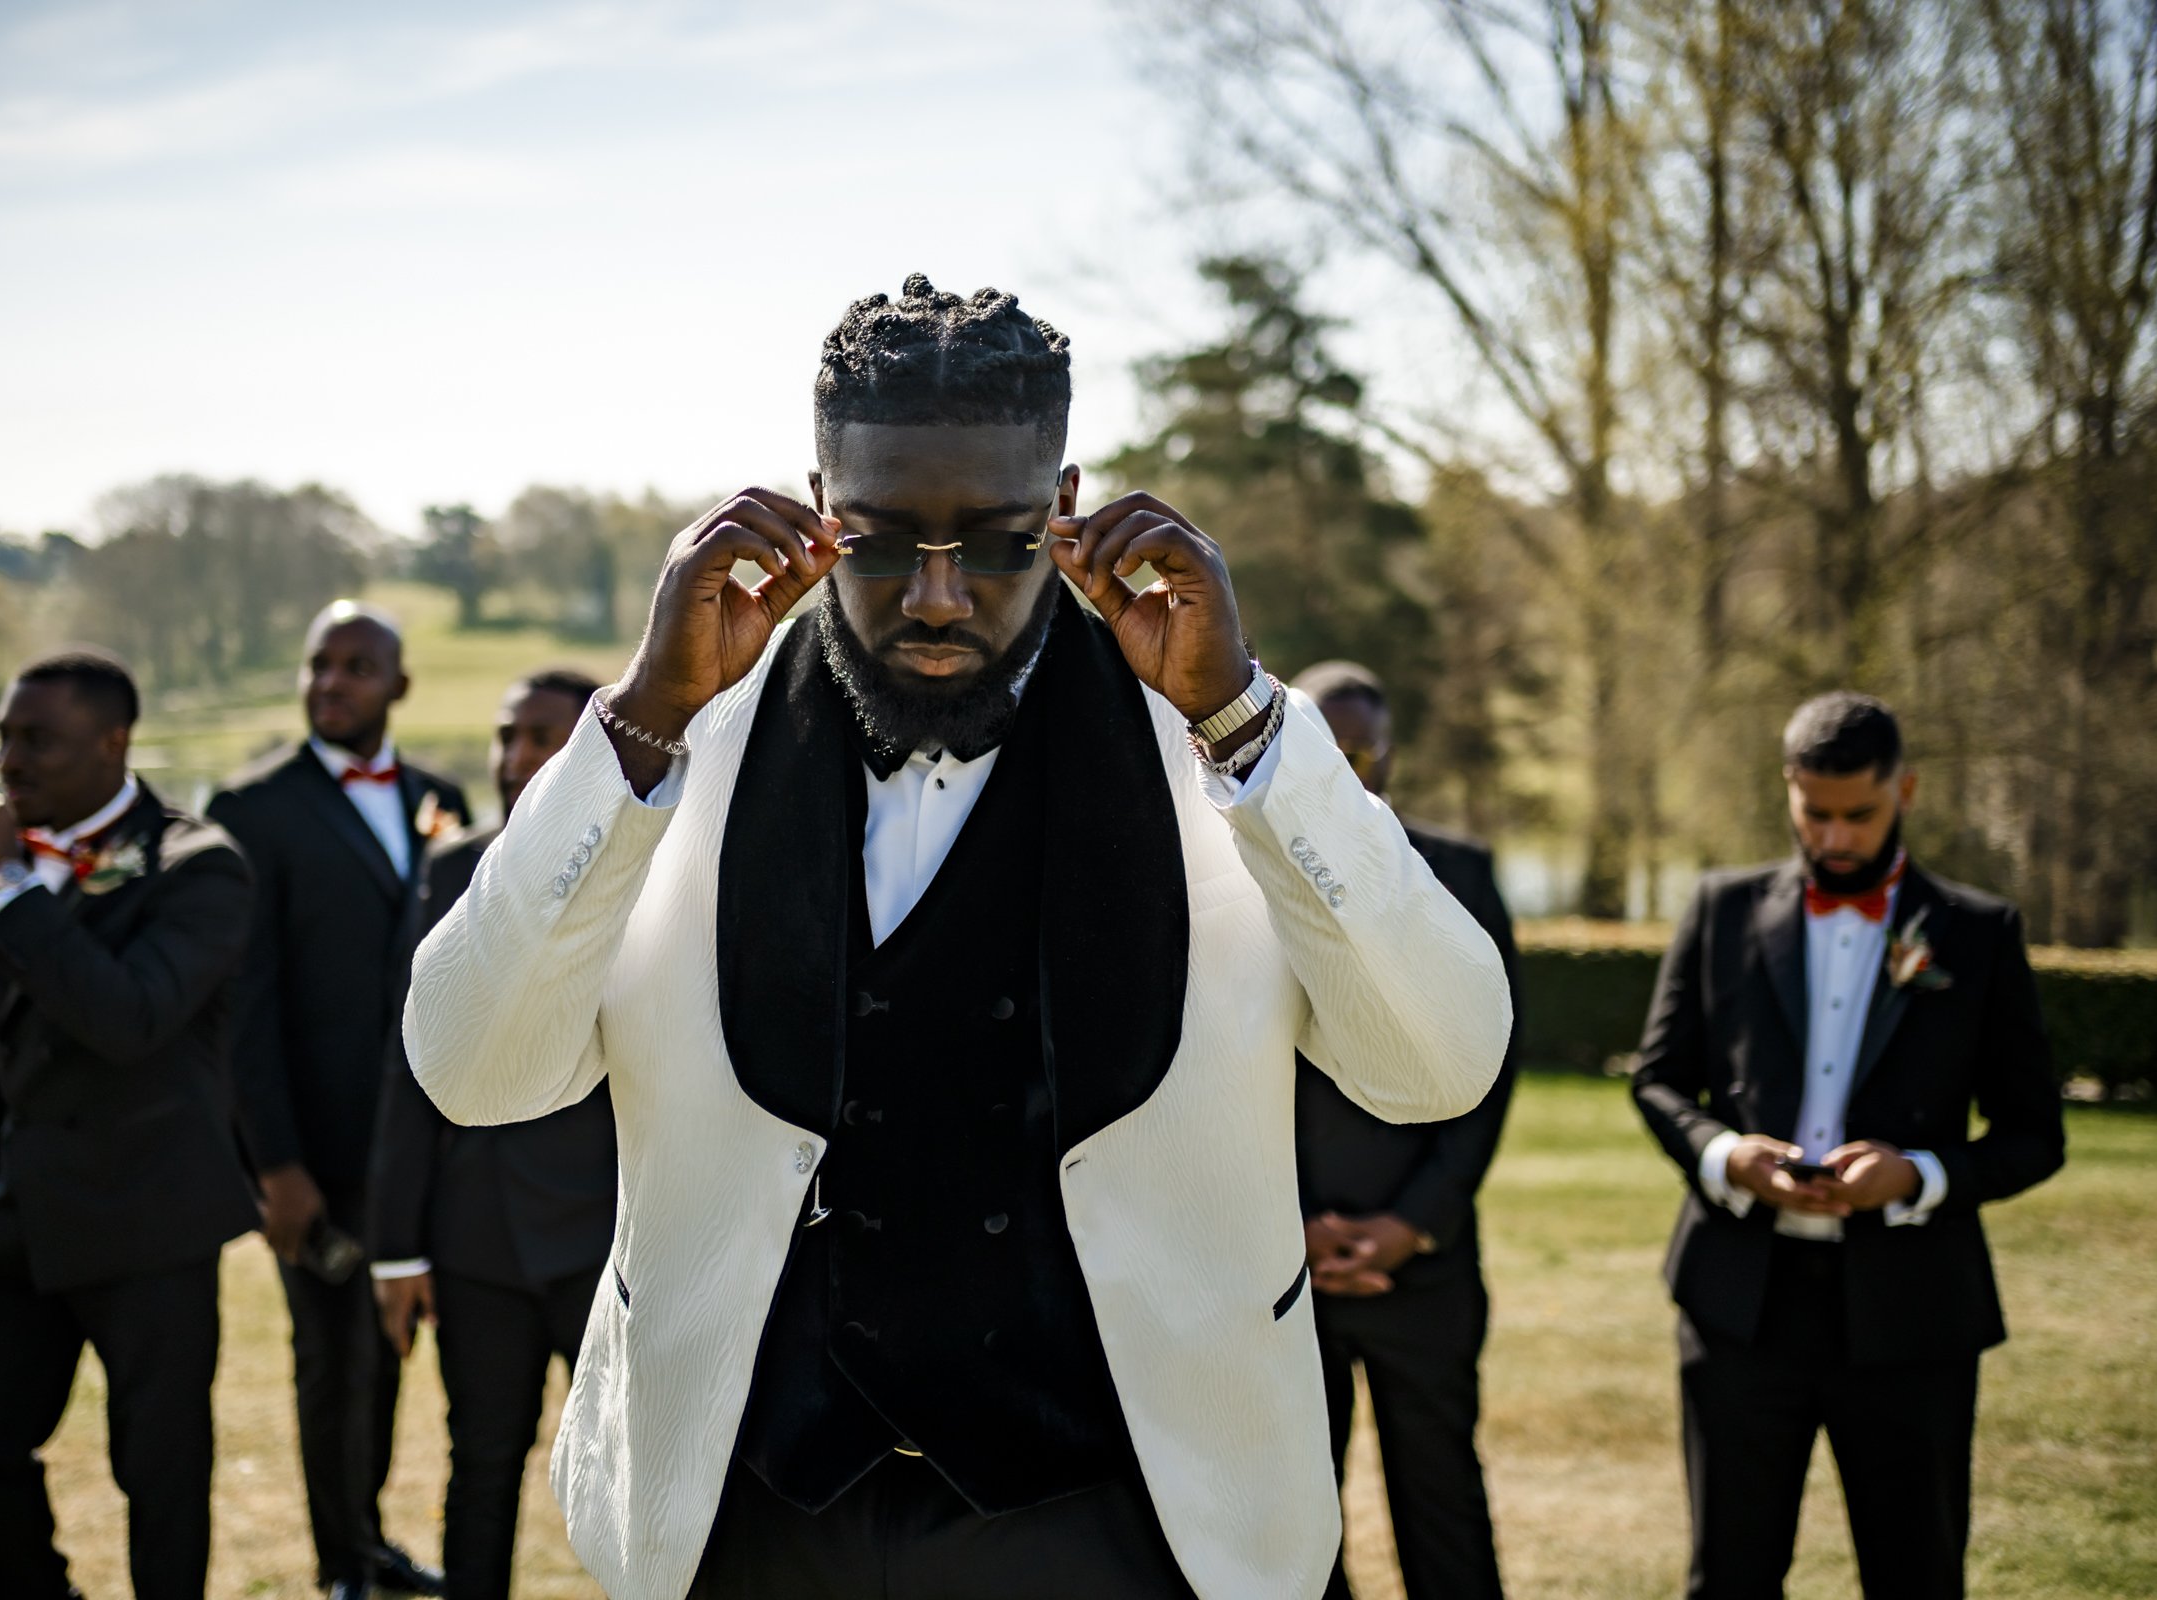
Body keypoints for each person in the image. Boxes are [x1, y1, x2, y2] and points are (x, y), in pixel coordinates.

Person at [403, 274, 1513, 1600]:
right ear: (820, 510)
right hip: (745, 1516)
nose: (938, 597)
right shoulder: (682, 732)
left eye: (994, 541)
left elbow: (1438, 1064)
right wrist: (637, 725)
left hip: (1128, 1515)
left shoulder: (1215, 740)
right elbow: (475, 1069)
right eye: (881, 542)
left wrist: (1252, 733)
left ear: (1064, 503)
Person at [1631, 691, 2065, 1600]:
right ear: (1789, 789)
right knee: (1729, 1578)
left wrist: (1921, 1176)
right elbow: (1659, 1079)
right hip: (1740, 1308)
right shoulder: (1720, 909)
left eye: (1857, 815)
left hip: (1913, 1318)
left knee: (1917, 1574)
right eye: (1812, 812)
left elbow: (2036, 1135)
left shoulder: (1978, 934)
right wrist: (1725, 1157)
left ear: (1904, 788)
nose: (1832, 837)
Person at [0, 650, 261, 1599]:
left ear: (113, 742)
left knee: (160, 1477)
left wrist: (5, 889)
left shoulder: (199, 867)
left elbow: (129, 1018)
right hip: (3, 1216)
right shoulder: (10, 860)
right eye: (3, 736)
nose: (8, 762)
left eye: (37, 740)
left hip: (149, 1219)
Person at [209, 602, 468, 1600]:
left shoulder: (437, 797)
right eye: (321, 664)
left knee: (390, 1349)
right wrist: (273, 1166)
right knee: (331, 1361)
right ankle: (341, 1567)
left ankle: (368, 1539)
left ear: (398, 685)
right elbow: (244, 1007)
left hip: (418, 1147)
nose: (334, 682)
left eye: (359, 666)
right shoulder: (254, 807)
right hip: (312, 1153)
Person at [367, 669, 618, 1599]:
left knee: (629, 1473)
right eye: (505, 737)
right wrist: (396, 1246)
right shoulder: (449, 867)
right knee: (479, 1461)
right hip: (477, 1237)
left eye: (541, 737)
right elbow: (410, 1064)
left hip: (607, 1227)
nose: (515, 760)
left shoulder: (652, 857)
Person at [1287, 661, 1517, 1600]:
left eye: (1363, 751)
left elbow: (1489, 1072)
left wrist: (1413, 1222)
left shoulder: (1458, 875)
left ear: (1387, 754)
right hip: (1285, 1265)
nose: (1348, 768)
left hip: (1421, 1261)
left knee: (1442, 1499)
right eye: (1327, 751)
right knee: (1299, 1512)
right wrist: (1285, 1224)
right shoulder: (1233, 870)